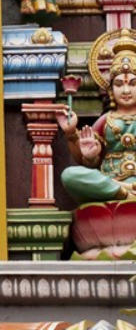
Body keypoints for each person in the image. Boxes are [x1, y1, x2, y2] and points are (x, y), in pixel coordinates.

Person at [57, 29, 136, 202]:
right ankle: (123, 193)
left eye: (133, 84)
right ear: (111, 90)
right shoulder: (106, 121)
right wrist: (75, 138)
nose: (126, 90)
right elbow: (89, 163)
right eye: (119, 84)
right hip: (112, 181)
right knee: (70, 175)